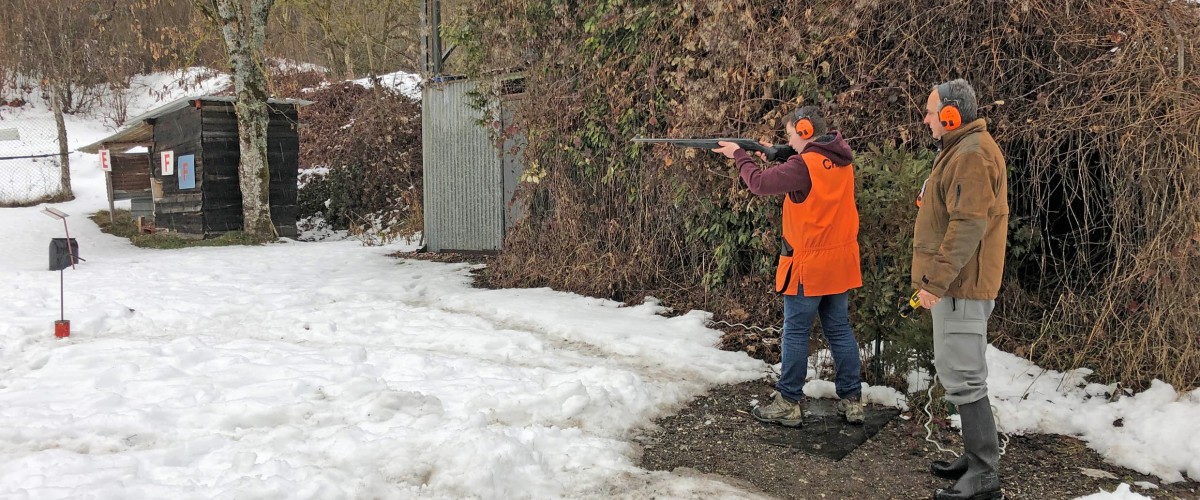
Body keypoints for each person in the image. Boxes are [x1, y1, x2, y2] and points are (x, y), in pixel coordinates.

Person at [712, 106, 865, 427]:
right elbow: (811, 170)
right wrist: (782, 153)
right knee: (839, 330)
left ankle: (788, 402)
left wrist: (740, 155)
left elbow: (758, 183)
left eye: (792, 135)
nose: (790, 141)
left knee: (796, 333)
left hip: (808, 265)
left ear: (805, 131)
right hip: (839, 262)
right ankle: (853, 401)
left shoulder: (803, 165)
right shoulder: (840, 158)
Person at [912, 79, 1009, 500]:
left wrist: (934, 281)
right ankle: (974, 459)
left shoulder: (971, 155)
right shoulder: (961, 150)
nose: (927, 119)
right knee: (957, 370)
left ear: (951, 116)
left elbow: (967, 226)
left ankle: (985, 474)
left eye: (931, 112)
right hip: (956, 285)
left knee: (967, 377)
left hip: (960, 287)